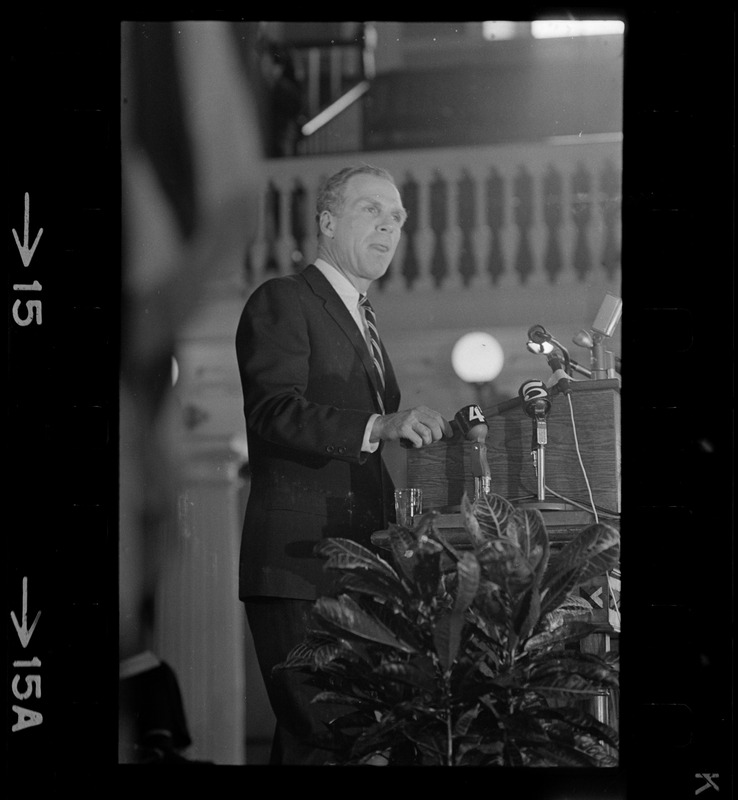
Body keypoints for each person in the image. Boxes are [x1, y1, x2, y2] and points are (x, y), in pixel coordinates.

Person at [235, 164, 451, 764]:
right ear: (327, 222)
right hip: (302, 564)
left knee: (331, 744)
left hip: (360, 567)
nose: (390, 226)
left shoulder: (368, 324)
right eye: (372, 211)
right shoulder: (284, 299)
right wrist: (378, 426)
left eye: (399, 218)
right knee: (326, 738)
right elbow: (274, 410)